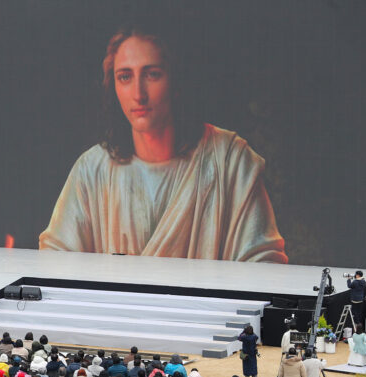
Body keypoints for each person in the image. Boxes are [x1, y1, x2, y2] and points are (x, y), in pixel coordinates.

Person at [39, 27, 286, 263]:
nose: (138, 93)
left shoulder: (229, 161)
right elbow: (56, 261)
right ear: (113, 87)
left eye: (152, 74)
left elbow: (262, 264)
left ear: (176, 81)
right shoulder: (92, 170)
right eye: (125, 77)